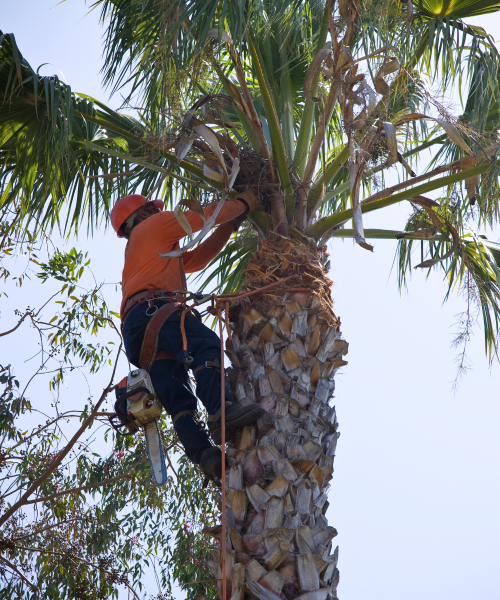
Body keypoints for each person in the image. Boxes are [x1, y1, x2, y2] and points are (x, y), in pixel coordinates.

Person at [111, 193, 264, 483]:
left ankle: (205, 456)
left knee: (179, 399)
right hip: (153, 310)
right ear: (144, 214)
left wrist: (231, 225)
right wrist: (246, 202)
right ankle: (222, 412)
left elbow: (197, 259)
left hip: (137, 331)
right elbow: (200, 217)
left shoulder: (144, 247)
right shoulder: (152, 227)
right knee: (205, 346)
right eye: (154, 210)